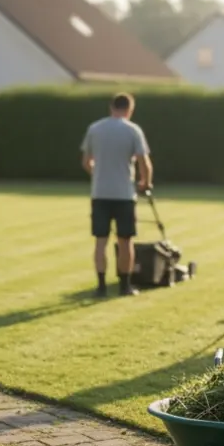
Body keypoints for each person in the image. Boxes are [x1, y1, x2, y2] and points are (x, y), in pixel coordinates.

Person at [81, 92, 153, 297]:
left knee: (100, 241)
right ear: (130, 110)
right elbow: (144, 163)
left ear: (111, 107)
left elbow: (86, 161)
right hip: (124, 194)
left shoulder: (95, 129)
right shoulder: (133, 130)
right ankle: (125, 285)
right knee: (125, 241)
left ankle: (101, 286)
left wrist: (98, 173)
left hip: (100, 193)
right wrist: (145, 182)